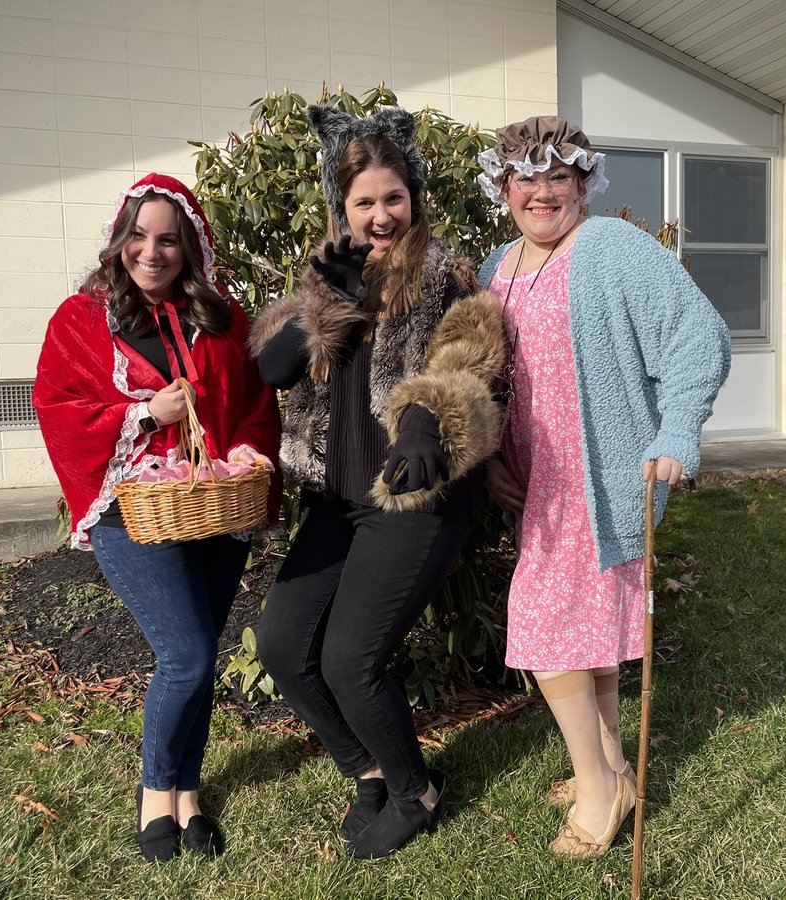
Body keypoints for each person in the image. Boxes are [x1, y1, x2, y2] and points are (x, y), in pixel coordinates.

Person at [248, 105, 506, 859]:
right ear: (343, 206)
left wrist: (425, 421)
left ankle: (416, 791)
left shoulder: (444, 275)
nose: (380, 214)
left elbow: (468, 360)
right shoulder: (327, 277)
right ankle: (365, 770)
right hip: (337, 502)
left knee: (349, 661)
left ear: (413, 199)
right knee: (282, 645)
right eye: (364, 201)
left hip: (411, 499)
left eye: (393, 198)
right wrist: (322, 304)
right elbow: (270, 370)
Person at [475, 117, 731, 858]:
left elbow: (697, 334)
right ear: (504, 188)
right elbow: (493, 379)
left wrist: (678, 431)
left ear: (584, 183)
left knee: (543, 625)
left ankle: (599, 788)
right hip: (538, 486)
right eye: (526, 177)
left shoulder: (614, 249)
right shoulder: (500, 266)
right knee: (583, 634)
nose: (542, 192)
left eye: (559, 176)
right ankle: (612, 761)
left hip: (601, 476)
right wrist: (493, 457)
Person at [32, 173, 281, 863]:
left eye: (168, 239)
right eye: (140, 236)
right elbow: (57, 407)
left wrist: (248, 451)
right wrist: (143, 413)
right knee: (187, 655)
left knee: (199, 655)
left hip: (211, 506)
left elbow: (257, 403)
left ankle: (190, 793)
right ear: (121, 240)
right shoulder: (81, 319)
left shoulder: (222, 318)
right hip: (131, 513)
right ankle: (154, 795)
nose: (152, 251)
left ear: (190, 246)